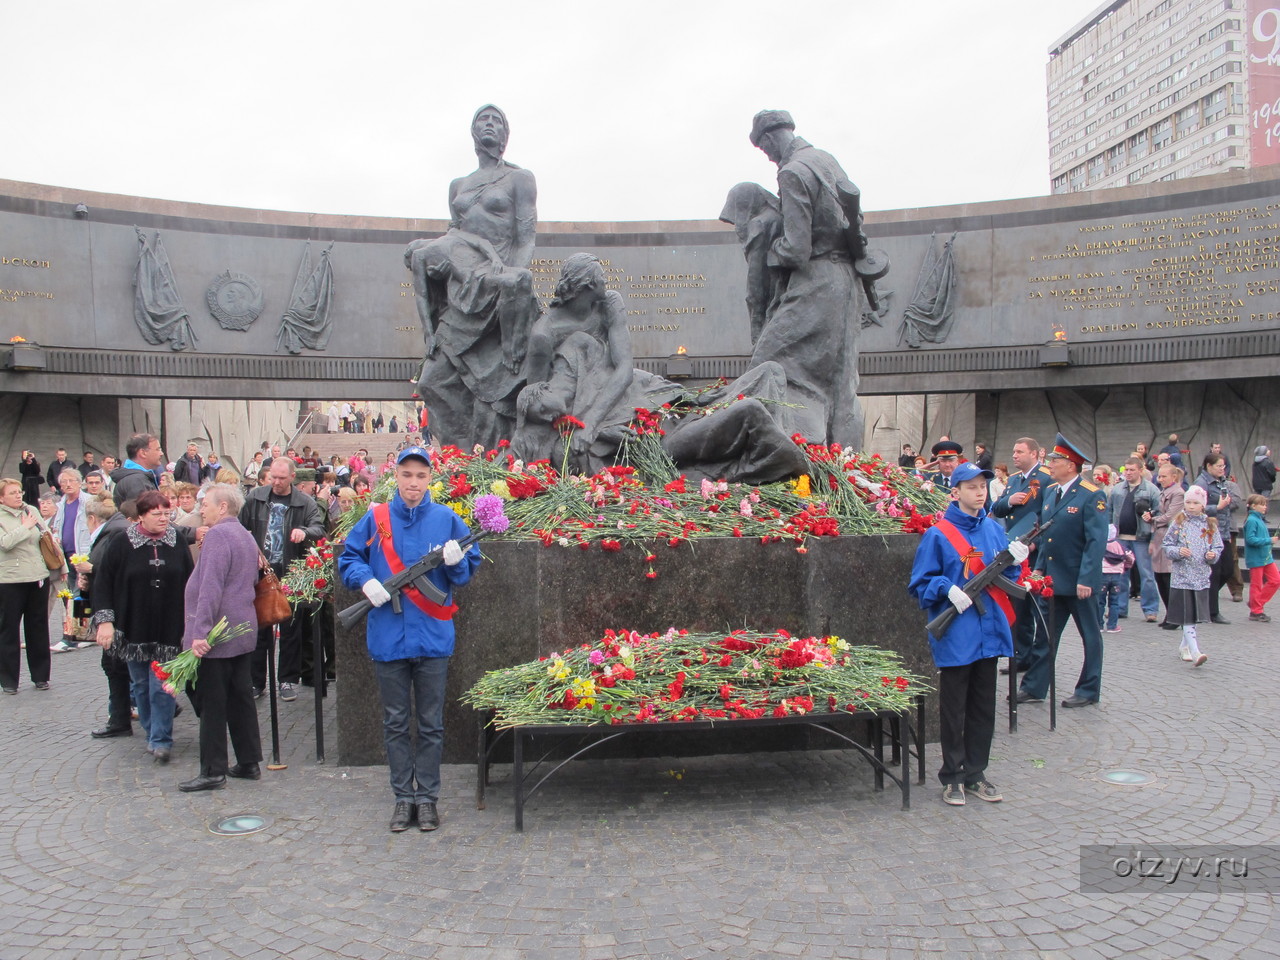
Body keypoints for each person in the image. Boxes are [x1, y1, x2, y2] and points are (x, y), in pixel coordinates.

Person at [338, 446, 481, 832]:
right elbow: (349, 558)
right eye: (406, 475)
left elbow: (466, 573)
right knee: (396, 722)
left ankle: (428, 798)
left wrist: (457, 561)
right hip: (388, 636)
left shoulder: (448, 519)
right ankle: (403, 797)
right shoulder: (376, 518)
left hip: (433, 637)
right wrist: (366, 581)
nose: (413, 483)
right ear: (395, 477)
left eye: (420, 475)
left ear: (429, 478)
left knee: (432, 724)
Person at [908, 461, 1027, 806]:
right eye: (972, 487)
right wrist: (947, 588)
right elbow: (920, 583)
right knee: (954, 707)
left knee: (983, 707)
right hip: (959, 631)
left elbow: (1010, 580)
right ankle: (952, 776)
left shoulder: (992, 529)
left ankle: (976, 773)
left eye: (983, 487)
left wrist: (1015, 560)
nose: (979, 492)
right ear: (955, 491)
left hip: (989, 629)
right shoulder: (938, 534)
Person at [746, 109, 864, 447]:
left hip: (816, 280)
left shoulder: (793, 172)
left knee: (766, 364)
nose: (767, 155)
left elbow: (796, 248)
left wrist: (771, 253)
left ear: (770, 137)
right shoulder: (824, 159)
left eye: (764, 148)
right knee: (842, 382)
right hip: (845, 280)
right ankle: (844, 464)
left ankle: (784, 455)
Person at [91, 491, 194, 762]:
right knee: (139, 684)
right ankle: (152, 731)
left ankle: (161, 739)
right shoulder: (121, 543)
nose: (163, 519)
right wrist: (106, 622)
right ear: (141, 516)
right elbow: (103, 584)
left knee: (162, 684)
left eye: (166, 513)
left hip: (170, 626)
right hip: (133, 625)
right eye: (156, 514)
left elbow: (189, 580)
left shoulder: (178, 541)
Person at [177, 484, 263, 792]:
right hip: (241, 629)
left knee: (212, 704)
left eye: (206, 504)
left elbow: (210, 587)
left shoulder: (217, 536)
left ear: (222, 506)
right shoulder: (244, 534)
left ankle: (213, 770)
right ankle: (249, 761)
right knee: (240, 698)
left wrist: (200, 633)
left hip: (218, 634)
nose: (202, 508)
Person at [1016, 433, 1108, 709]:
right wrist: (1039, 569)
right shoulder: (1051, 493)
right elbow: (1046, 537)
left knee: (1090, 636)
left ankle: (1089, 689)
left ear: (1071, 465)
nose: (1050, 465)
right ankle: (1034, 687)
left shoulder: (1092, 495)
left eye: (1055, 460)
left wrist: (1087, 579)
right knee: (1044, 636)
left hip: (1079, 582)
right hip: (1053, 581)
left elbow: (1096, 542)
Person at [239, 457, 325, 702]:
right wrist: (250, 551)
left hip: (291, 573)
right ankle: (256, 682)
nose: (276, 482)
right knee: (259, 630)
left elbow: (319, 528)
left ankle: (287, 680)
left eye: (281, 478)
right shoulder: (255, 498)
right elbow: (239, 527)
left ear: (292, 477)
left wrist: (304, 532)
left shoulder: (304, 502)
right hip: (260, 573)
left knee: (291, 630)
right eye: (273, 477)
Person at [991, 437, 1052, 674]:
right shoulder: (1015, 480)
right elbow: (996, 508)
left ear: (1034, 454)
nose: (1014, 455)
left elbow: (1047, 516)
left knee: (1035, 605)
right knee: (1019, 605)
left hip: (1034, 550)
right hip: (1015, 549)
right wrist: (1009, 500)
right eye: (1013, 451)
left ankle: (1034, 655)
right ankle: (1021, 654)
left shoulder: (1046, 479)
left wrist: (1035, 544)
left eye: (1020, 452)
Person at [77, 496, 135, 737]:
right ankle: (120, 717)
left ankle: (121, 719)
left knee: (118, 665)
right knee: (118, 665)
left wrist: (92, 571)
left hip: (118, 611)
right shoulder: (115, 531)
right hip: (117, 609)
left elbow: (114, 572)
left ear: (92, 519)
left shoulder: (113, 535)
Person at [0, 478, 53, 694]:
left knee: (38, 626)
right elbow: (5, 543)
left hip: (38, 575)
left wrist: (62, 566)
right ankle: (9, 680)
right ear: (2, 498)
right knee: (8, 630)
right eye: (12, 493)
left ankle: (41, 676)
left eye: (19, 491)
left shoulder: (30, 510)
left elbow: (46, 537)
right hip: (10, 579)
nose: (18, 495)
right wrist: (25, 527)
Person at [1162, 485, 1220, 667]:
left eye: (1196, 503)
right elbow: (1167, 545)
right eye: (1188, 502)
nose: (1191, 506)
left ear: (1203, 505)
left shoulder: (1209, 524)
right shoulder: (1178, 523)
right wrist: (1178, 551)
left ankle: (1184, 646)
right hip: (1182, 576)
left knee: (1194, 615)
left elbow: (1217, 546)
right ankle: (1195, 651)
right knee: (1187, 615)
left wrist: (1213, 555)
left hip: (1201, 576)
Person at [1109, 457, 1161, 623]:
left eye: (1132, 470)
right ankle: (1120, 608)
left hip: (1142, 538)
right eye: (1126, 470)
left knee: (1147, 575)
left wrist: (1153, 540)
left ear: (1140, 470)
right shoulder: (1117, 489)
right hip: (1120, 538)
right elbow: (1109, 512)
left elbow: (1158, 515)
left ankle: (1150, 609)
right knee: (1120, 575)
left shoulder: (1152, 490)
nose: (1129, 473)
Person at [1192, 454, 1240, 623]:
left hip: (1224, 532)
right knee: (1216, 571)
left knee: (1227, 569)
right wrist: (1216, 507)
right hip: (1208, 533)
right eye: (1219, 466)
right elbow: (1195, 507)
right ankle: (1212, 611)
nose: (1222, 469)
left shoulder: (1222, 482)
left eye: (1223, 466)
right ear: (1208, 466)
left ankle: (1204, 600)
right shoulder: (1201, 483)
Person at [1149, 463, 1186, 629]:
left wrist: (1152, 519)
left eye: (1164, 476)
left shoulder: (1178, 493)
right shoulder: (1164, 491)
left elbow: (1171, 515)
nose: (1160, 479)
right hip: (1159, 536)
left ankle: (1175, 616)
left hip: (1170, 536)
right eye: (1160, 476)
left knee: (1168, 578)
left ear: (1174, 477)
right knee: (1160, 577)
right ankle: (1170, 614)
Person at [1242, 494, 1279, 622]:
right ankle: (1256, 610)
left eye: (1265, 505)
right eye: (1262, 504)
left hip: (1265, 556)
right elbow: (1251, 540)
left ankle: (1255, 603)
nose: (1265, 507)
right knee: (1256, 585)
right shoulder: (1252, 520)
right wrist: (1269, 540)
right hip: (1256, 558)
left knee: (1276, 580)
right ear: (1253, 506)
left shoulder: (1258, 519)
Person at [1098, 524, 1134, 634]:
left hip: (1102, 575)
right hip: (1117, 576)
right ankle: (1112, 626)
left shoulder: (1100, 545)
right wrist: (1125, 566)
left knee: (1100, 602)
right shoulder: (1120, 546)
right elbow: (1130, 558)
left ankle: (1098, 625)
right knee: (1114, 602)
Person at [112, 434, 163, 507]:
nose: (161, 453)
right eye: (158, 449)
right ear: (143, 453)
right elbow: (141, 514)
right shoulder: (136, 481)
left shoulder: (137, 477)